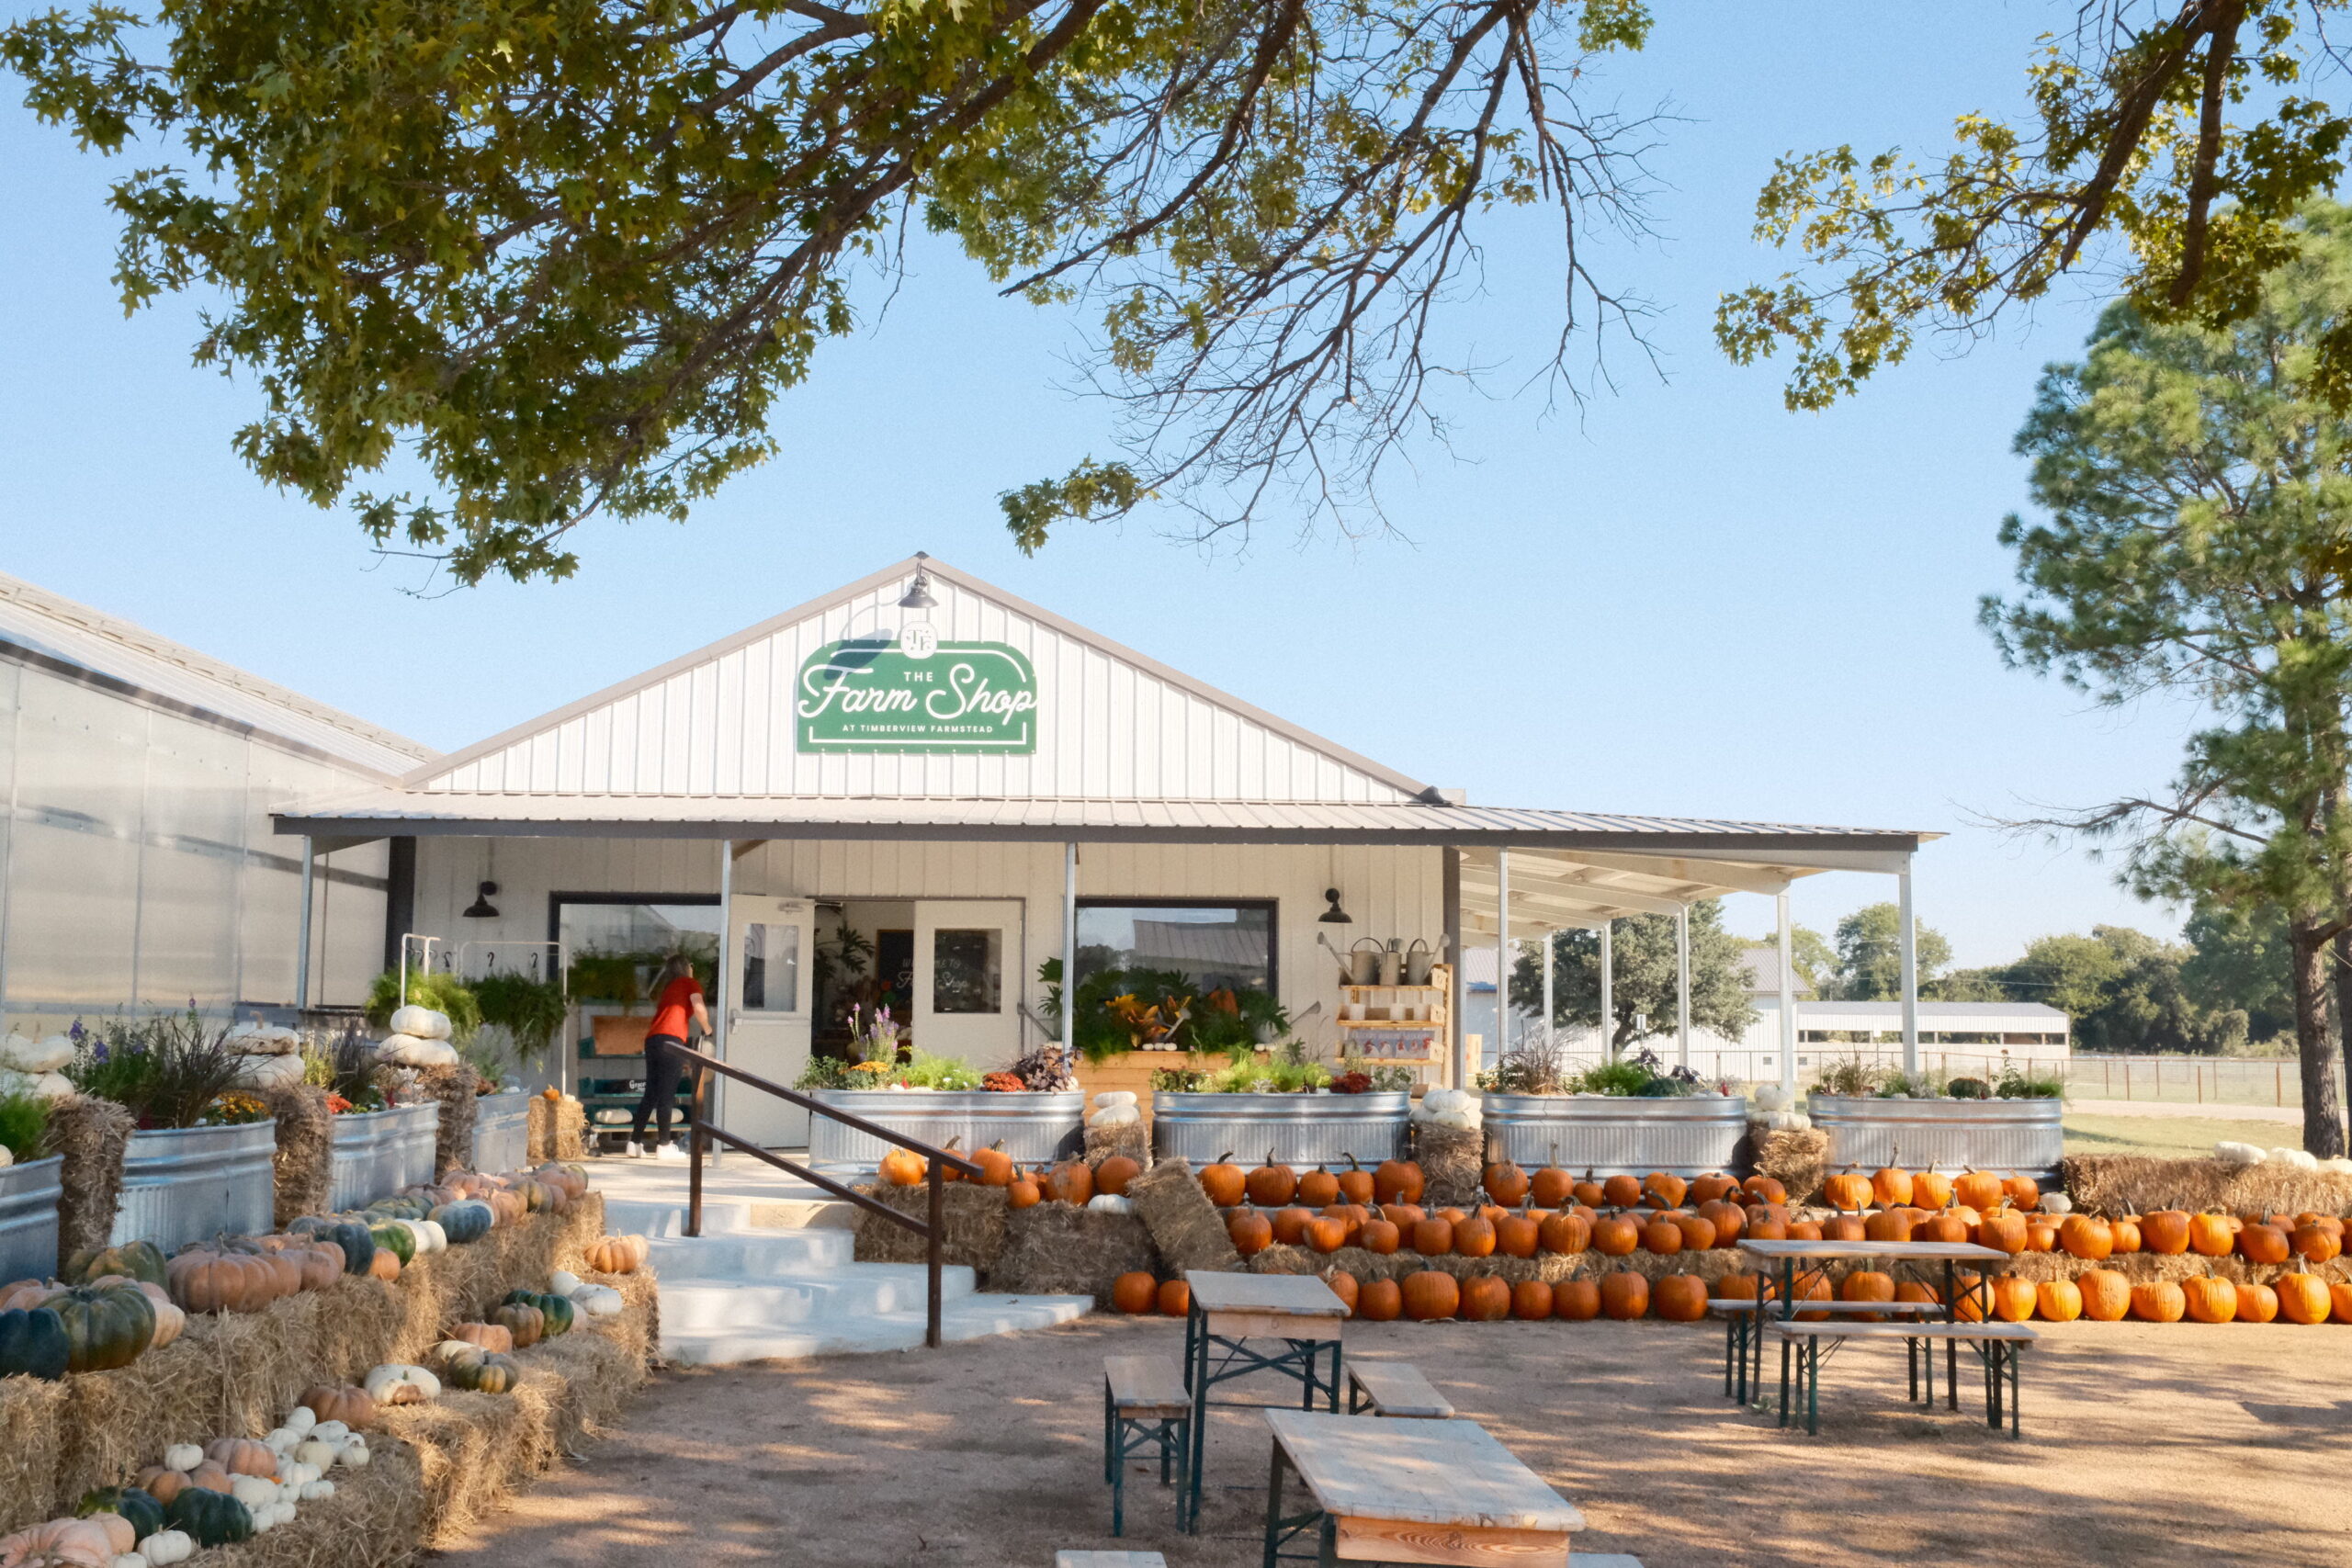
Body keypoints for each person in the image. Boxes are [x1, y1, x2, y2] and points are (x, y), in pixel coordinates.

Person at [630, 953, 711, 1159]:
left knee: (651, 1093)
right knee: (667, 1094)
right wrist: (707, 1028)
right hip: (672, 1041)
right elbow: (698, 1006)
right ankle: (664, 1145)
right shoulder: (690, 983)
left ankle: (634, 1143)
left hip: (653, 1039)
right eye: (691, 964)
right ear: (687, 967)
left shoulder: (670, 987)